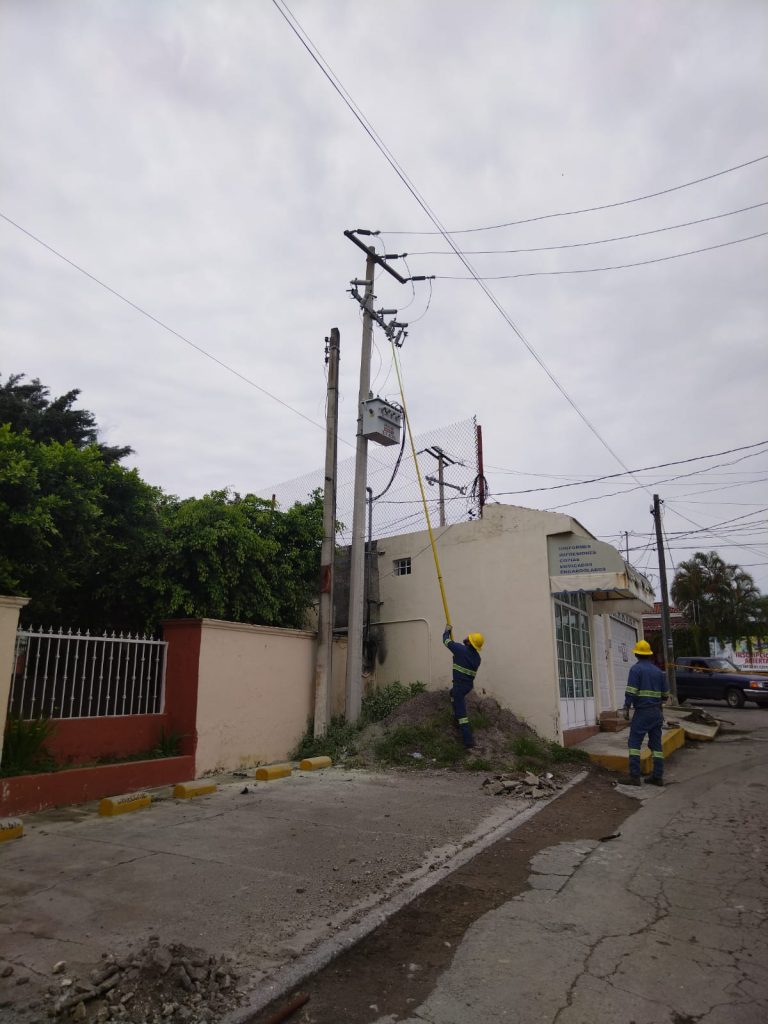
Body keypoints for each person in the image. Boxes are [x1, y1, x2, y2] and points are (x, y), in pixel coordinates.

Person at [622, 639, 669, 786]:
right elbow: (665, 695)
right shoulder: (658, 672)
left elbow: (631, 691)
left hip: (642, 712)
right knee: (656, 746)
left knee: (634, 743)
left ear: (636, 654)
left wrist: (626, 707)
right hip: (657, 712)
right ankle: (657, 776)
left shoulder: (636, 670)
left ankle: (634, 776)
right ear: (649, 655)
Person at [443, 625, 484, 749]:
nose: (466, 637)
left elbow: (446, 641)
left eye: (468, 638)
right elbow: (464, 660)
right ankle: (455, 717)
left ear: (469, 642)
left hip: (459, 686)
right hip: (467, 686)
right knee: (452, 694)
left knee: (462, 714)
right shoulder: (477, 658)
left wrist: (446, 632)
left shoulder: (461, 650)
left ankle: (468, 741)